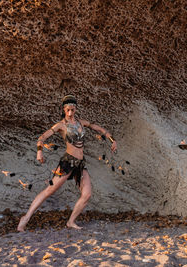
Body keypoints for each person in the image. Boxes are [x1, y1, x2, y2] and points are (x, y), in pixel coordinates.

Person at [17, 95, 117, 231]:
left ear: (76, 109)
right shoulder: (61, 125)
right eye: (67, 110)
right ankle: (26, 217)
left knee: (87, 194)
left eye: (73, 110)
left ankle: (71, 222)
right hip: (67, 162)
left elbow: (99, 129)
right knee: (49, 191)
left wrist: (112, 140)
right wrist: (39, 151)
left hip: (80, 164)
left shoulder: (82, 123)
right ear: (64, 109)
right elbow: (42, 138)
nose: (70, 113)